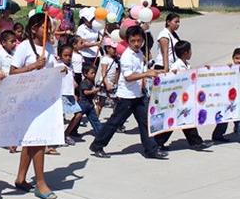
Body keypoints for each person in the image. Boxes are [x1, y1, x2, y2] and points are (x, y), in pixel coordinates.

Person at [89, 25, 168, 159]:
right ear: (128, 41)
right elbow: (128, 76)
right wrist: (146, 74)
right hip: (126, 97)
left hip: (138, 95)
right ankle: (97, 145)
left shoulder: (139, 53)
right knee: (114, 122)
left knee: (145, 122)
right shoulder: (127, 56)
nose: (136, 43)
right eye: (133, 41)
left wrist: (158, 72)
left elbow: (143, 71)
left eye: (139, 40)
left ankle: (151, 150)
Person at [10, 12, 59, 199]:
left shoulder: (48, 47)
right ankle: (40, 183)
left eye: (49, 25)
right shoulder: (24, 47)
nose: (48, 29)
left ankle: (21, 177)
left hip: (44, 99)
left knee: (31, 141)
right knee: (39, 140)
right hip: (27, 101)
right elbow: (12, 72)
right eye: (43, 26)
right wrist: (32, 66)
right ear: (33, 29)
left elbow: (50, 70)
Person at [153, 41, 212, 151]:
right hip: (177, 100)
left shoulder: (185, 64)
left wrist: (204, 70)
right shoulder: (176, 66)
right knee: (175, 122)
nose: (191, 53)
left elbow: (192, 75)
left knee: (184, 121)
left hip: (184, 99)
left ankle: (195, 142)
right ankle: (157, 143)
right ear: (185, 53)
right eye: (190, 51)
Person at [211, 47, 240, 142]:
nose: (238, 61)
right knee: (224, 118)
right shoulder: (228, 69)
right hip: (228, 99)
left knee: (238, 118)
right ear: (233, 58)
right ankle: (217, 135)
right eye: (237, 58)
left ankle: (237, 130)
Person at [56, 44, 81, 145]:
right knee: (60, 118)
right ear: (60, 55)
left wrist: (74, 91)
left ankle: (65, 134)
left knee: (78, 114)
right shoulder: (58, 66)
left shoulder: (70, 67)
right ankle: (58, 137)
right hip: (61, 94)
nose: (68, 58)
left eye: (70, 55)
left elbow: (71, 81)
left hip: (69, 94)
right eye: (65, 55)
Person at [96, 38, 120, 117]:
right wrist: (107, 83)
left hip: (113, 85)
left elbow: (117, 73)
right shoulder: (105, 59)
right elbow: (103, 73)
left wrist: (116, 83)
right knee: (100, 103)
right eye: (113, 48)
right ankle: (95, 120)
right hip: (105, 84)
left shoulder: (116, 59)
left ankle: (114, 120)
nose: (115, 50)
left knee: (117, 103)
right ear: (107, 48)